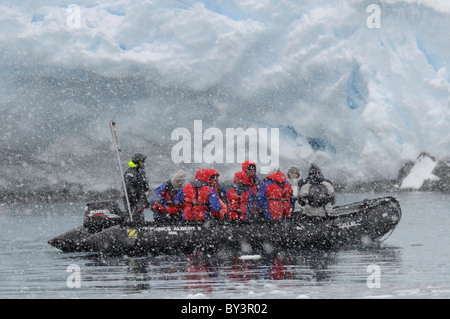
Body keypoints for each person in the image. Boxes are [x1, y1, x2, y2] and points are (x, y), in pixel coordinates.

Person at [123, 152, 150, 225]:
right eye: (143, 161)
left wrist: (143, 201)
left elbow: (144, 188)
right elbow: (130, 191)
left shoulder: (139, 172)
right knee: (135, 220)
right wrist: (137, 204)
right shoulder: (131, 173)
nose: (144, 163)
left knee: (140, 219)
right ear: (139, 162)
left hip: (138, 206)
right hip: (134, 207)